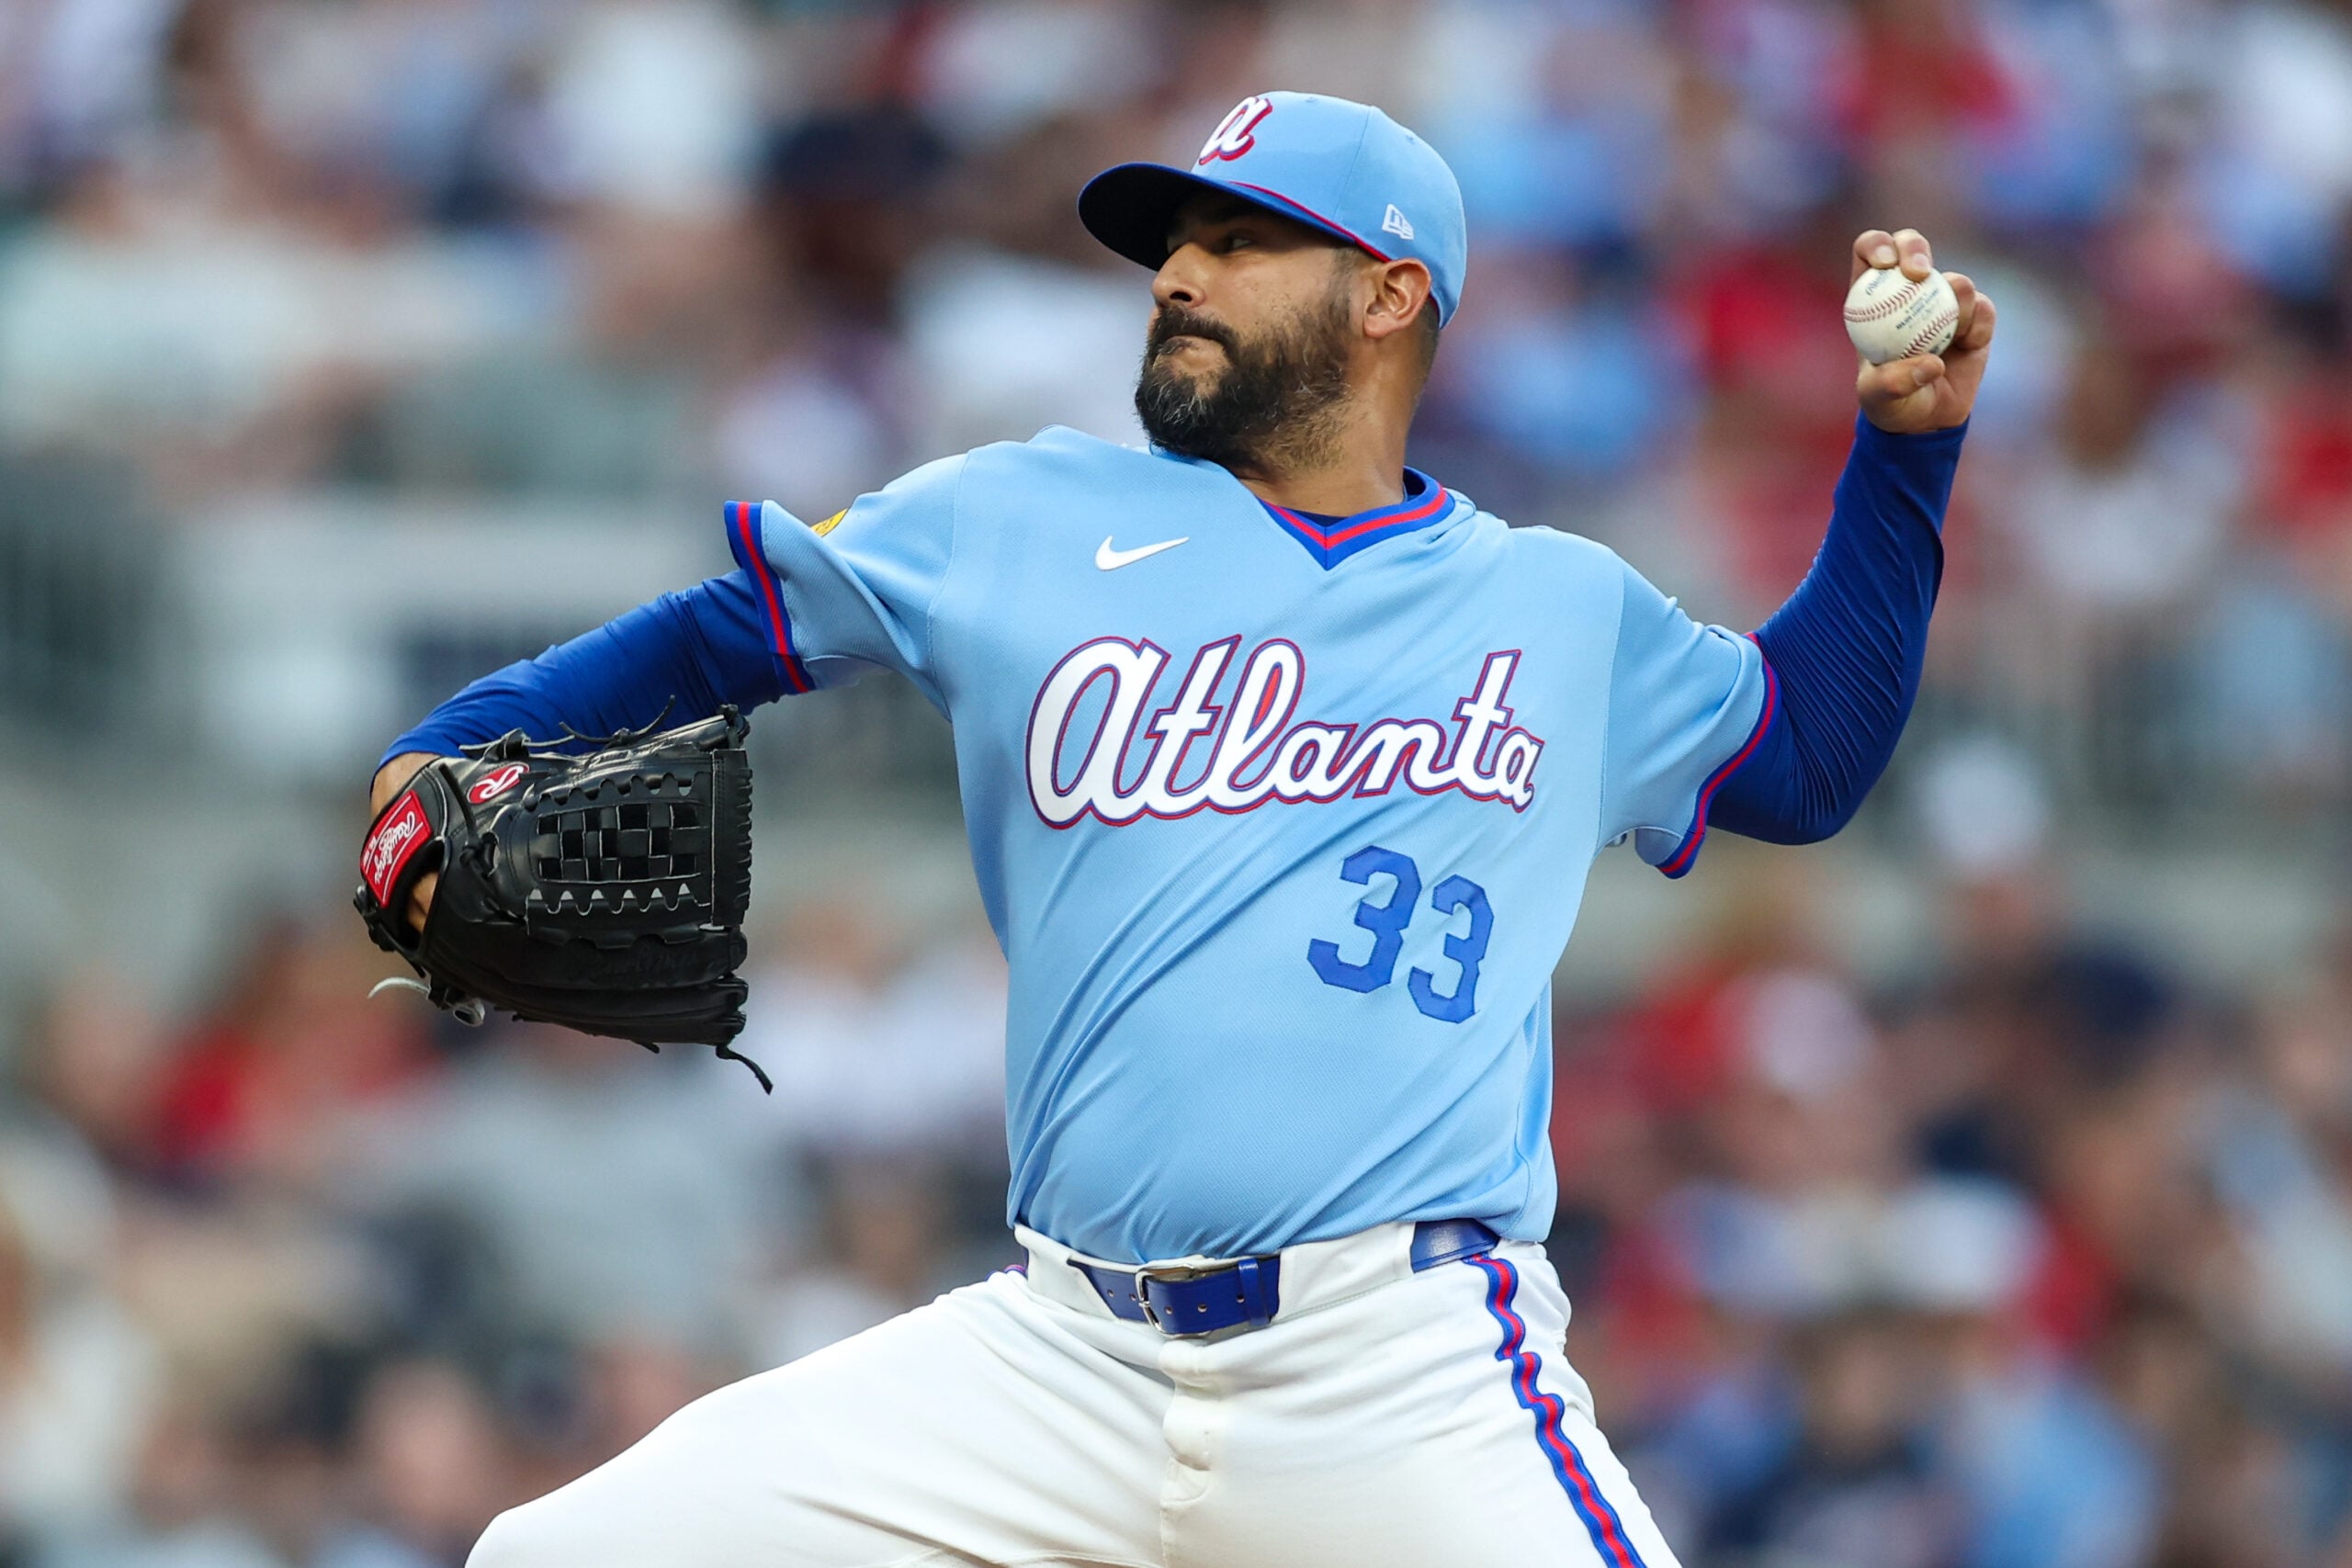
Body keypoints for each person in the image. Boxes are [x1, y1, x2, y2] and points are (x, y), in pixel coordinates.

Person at [369, 91, 1991, 1568]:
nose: (1179, 275)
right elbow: (720, 634)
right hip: (1060, 1354)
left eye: (1238, 238)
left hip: (1394, 1368)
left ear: (1389, 292)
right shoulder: (1020, 516)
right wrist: (444, 749)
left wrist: (1907, 456)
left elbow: (1807, 760)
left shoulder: (1558, 608)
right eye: (1171, 246)